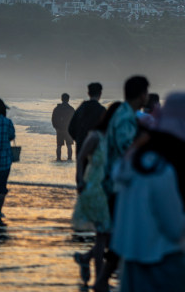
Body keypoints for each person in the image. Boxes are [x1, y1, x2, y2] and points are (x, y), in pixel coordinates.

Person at [111, 91, 185, 292]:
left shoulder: (133, 161)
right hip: (164, 264)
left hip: (131, 266)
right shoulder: (162, 171)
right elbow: (175, 230)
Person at [94, 74, 150, 292]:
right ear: (141, 94)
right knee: (123, 234)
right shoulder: (126, 118)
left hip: (116, 183)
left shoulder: (123, 114)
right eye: (146, 92)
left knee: (120, 234)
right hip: (120, 186)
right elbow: (128, 148)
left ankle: (105, 280)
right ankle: (108, 281)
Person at [72, 101, 122, 285]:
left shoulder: (120, 137)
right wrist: (79, 179)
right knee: (103, 234)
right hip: (96, 189)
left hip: (115, 189)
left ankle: (86, 259)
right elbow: (81, 156)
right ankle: (100, 279)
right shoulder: (96, 136)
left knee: (111, 235)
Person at [68, 82, 106, 155]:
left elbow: (70, 128)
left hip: (81, 147)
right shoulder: (102, 110)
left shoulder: (81, 108)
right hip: (96, 149)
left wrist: (79, 139)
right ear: (100, 93)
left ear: (88, 93)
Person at [51, 93, 76, 161]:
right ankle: (69, 159)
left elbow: (53, 119)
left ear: (61, 99)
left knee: (59, 146)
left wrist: (56, 128)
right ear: (68, 99)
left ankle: (58, 159)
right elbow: (75, 120)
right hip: (68, 130)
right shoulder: (71, 109)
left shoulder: (57, 108)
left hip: (59, 130)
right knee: (69, 146)